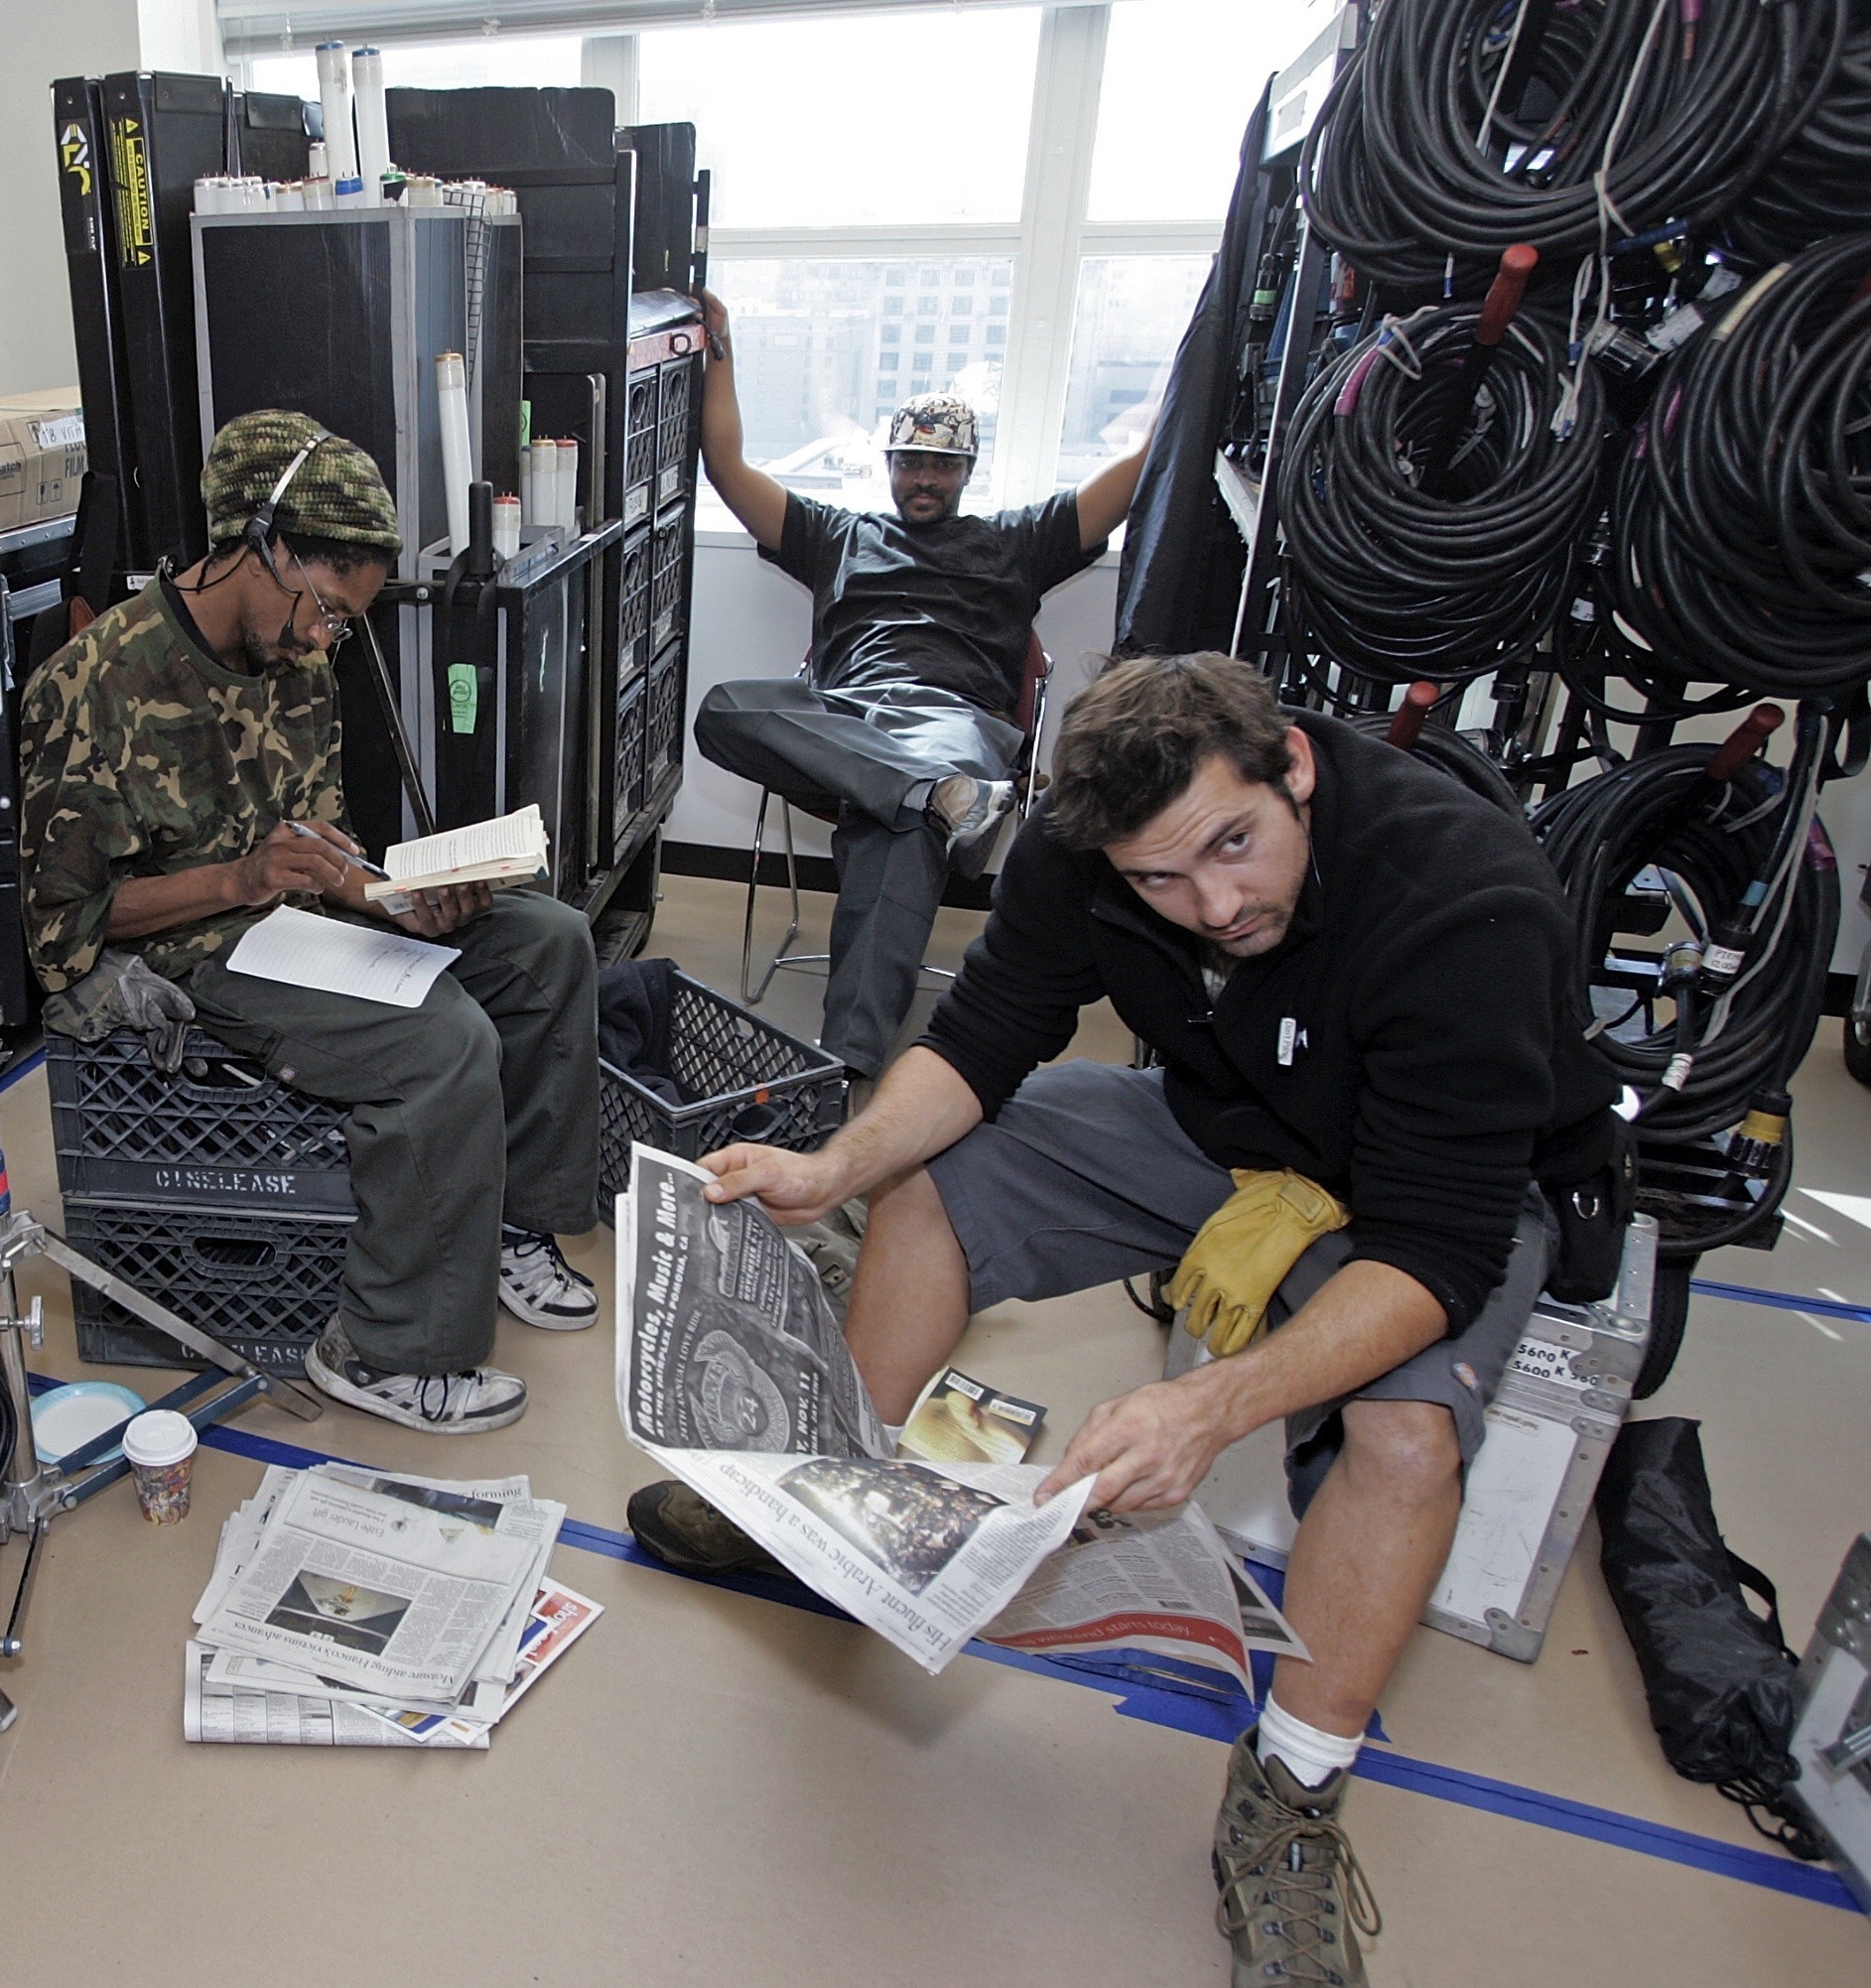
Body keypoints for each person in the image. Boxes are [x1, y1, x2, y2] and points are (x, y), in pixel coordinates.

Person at [640, 654, 1621, 1986]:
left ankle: (1293, 1794)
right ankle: (839, 1505)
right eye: (1162, 879)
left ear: (1298, 768)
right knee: (931, 1174)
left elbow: (1438, 1252)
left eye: (1235, 843)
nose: (1215, 904)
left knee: (1403, 1434)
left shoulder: (1465, 901)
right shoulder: (1088, 848)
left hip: (1422, 1192)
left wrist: (1205, 1403)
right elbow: (982, 1036)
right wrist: (837, 1166)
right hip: (1227, 1129)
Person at [19, 408, 603, 1435]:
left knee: (548, 941)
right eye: (327, 608)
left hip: (296, 920)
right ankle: (382, 1349)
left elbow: (319, 841)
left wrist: (394, 897)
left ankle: (510, 1224)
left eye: (344, 625)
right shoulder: (95, 683)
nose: (327, 638)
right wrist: (244, 877)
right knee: (442, 1040)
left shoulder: (300, 664)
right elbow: (65, 923)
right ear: (263, 543)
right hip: (194, 950)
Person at [690, 288, 1149, 1086]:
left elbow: (1136, 475)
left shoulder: (1019, 541)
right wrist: (720, 351)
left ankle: (841, 1070)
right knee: (724, 706)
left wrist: (1192, 369)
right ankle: (937, 796)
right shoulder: (840, 535)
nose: (925, 477)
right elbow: (728, 467)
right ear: (890, 464)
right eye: (912, 461)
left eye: (943, 462)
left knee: (898, 828)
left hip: (950, 722)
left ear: (967, 468)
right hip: (842, 720)